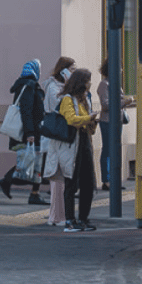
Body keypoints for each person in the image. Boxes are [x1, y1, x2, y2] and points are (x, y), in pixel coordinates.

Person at [55, 68, 100, 232]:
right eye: (88, 80)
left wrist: (92, 121)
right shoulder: (67, 99)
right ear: (81, 82)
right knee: (71, 182)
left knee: (88, 183)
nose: (90, 83)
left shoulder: (85, 100)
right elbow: (71, 119)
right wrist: (89, 118)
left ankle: (83, 218)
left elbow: (87, 123)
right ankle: (70, 220)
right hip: (72, 143)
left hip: (85, 141)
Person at [0, 59, 47, 204]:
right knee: (32, 162)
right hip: (31, 132)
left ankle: (33, 192)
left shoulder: (27, 85)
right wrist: (30, 133)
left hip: (34, 130)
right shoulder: (28, 86)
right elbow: (26, 112)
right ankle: (10, 181)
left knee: (35, 162)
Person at [40, 56, 75, 226]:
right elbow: (60, 105)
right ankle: (56, 216)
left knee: (61, 177)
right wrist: (69, 84)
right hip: (57, 136)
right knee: (57, 177)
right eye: (71, 69)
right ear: (64, 70)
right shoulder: (53, 87)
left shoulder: (61, 87)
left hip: (61, 136)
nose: (73, 72)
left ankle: (58, 215)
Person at [96, 59, 134, 192]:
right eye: (119, 68)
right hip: (107, 121)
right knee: (108, 150)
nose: (121, 71)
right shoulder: (104, 84)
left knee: (115, 150)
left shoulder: (115, 84)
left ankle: (114, 179)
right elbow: (106, 104)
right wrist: (125, 101)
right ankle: (106, 181)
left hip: (117, 120)